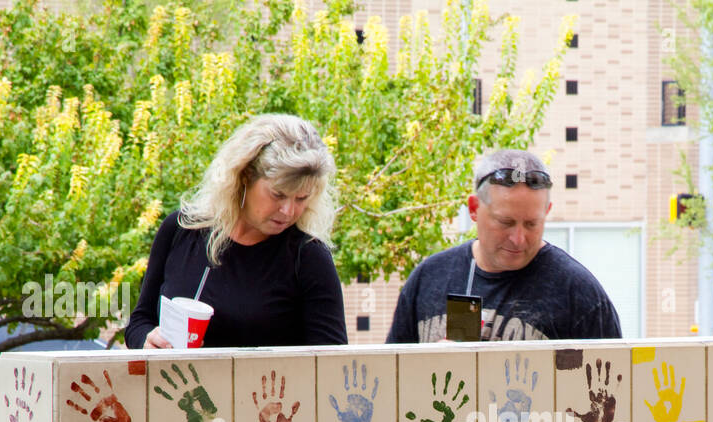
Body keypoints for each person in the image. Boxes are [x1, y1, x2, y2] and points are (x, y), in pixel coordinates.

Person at [125, 114, 347, 349]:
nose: (288, 210)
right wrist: (147, 341)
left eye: (302, 198)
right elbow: (140, 321)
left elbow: (330, 366)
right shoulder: (181, 229)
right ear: (244, 177)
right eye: (278, 194)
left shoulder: (309, 258)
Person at [385, 149, 621, 343]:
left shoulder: (579, 294)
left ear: (547, 213)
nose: (518, 238)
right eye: (505, 222)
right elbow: (390, 380)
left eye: (531, 224)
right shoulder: (428, 278)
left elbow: (613, 391)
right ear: (474, 209)